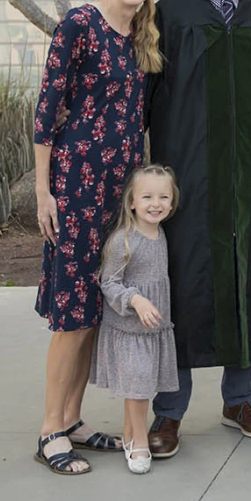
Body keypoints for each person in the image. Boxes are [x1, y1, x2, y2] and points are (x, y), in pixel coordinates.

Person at [145, 0, 251, 458]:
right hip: (188, 171)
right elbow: (145, 94)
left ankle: (239, 400)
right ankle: (170, 410)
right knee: (184, 281)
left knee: (245, 278)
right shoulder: (169, 13)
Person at [31, 0, 159, 474]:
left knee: (96, 309)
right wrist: (43, 191)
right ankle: (49, 431)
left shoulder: (140, 35)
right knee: (73, 317)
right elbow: (46, 112)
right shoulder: (79, 26)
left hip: (118, 189)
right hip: (77, 188)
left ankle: (74, 420)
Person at [90, 165, 180, 475]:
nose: (155, 204)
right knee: (139, 387)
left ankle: (129, 434)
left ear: (172, 202)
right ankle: (140, 441)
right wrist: (136, 300)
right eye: (147, 197)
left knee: (141, 386)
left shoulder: (161, 234)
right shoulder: (122, 241)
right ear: (131, 202)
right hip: (130, 329)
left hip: (153, 328)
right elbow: (109, 282)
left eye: (163, 197)